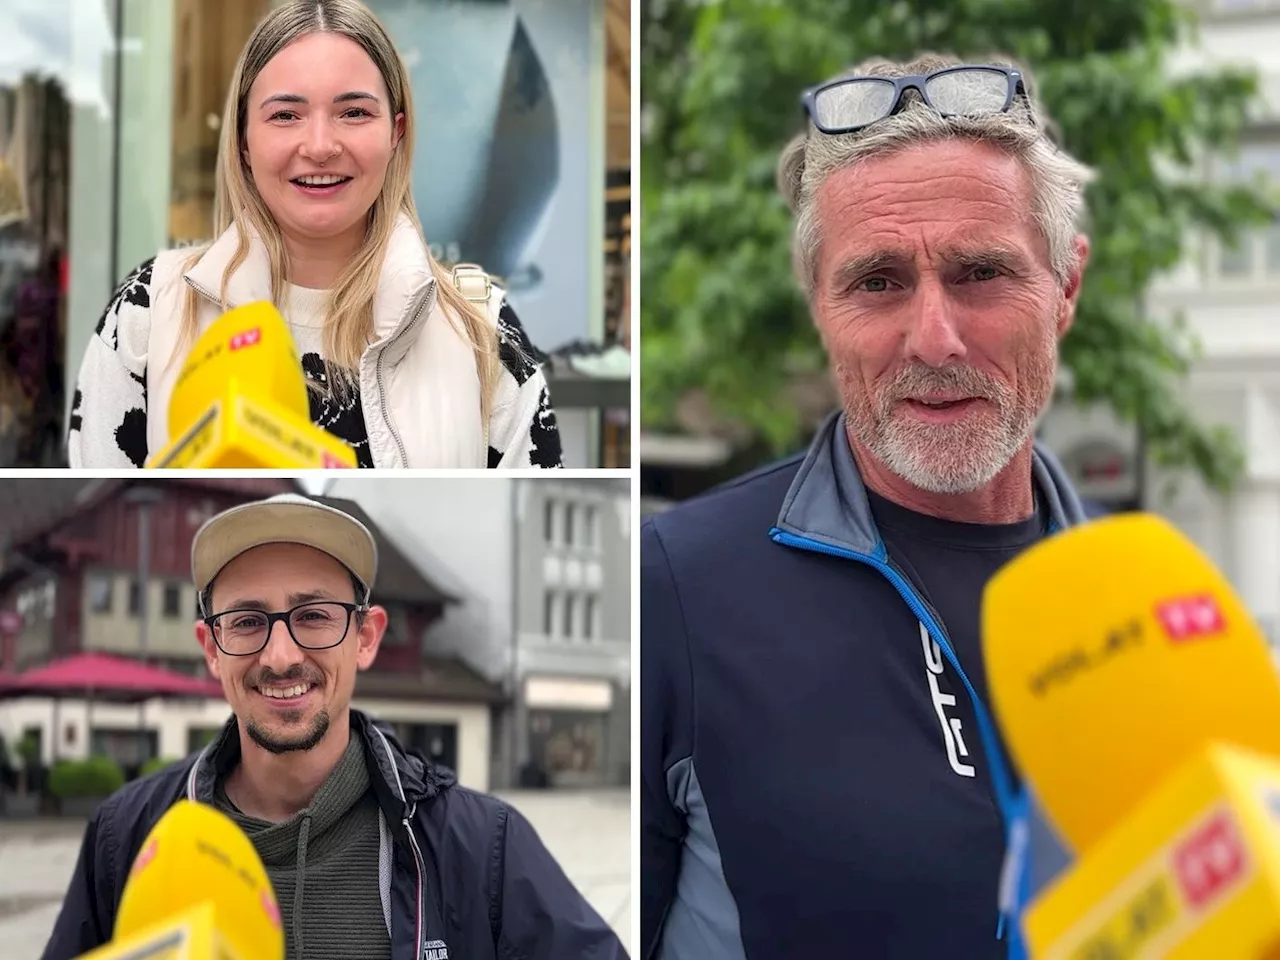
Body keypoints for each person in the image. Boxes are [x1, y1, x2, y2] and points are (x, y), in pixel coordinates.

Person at [641, 55, 1095, 959]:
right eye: (878, 282)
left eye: (981, 273)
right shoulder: (675, 587)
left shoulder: (1150, 601)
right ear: (820, 304)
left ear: (1067, 289)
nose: (933, 337)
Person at [42, 493, 626, 960]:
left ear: (366, 637)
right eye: (246, 621)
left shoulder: (483, 849)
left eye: (313, 616)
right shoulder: (125, 837)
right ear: (210, 648)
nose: (280, 656)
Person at [67, 0, 562, 469]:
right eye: (285, 115)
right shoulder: (149, 313)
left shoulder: (486, 332)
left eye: (354, 113)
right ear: (243, 139)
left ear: (396, 133)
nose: (321, 146)